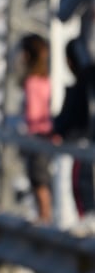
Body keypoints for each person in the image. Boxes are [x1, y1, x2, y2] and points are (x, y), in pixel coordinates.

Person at [53, 39, 95, 220]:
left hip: (81, 148)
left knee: (82, 189)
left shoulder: (82, 87)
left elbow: (64, 124)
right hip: (84, 145)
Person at [19, 33, 53, 225]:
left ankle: (44, 216)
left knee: (38, 177)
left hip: (36, 135)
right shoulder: (45, 80)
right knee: (42, 177)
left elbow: (33, 113)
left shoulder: (31, 82)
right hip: (46, 134)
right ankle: (44, 214)